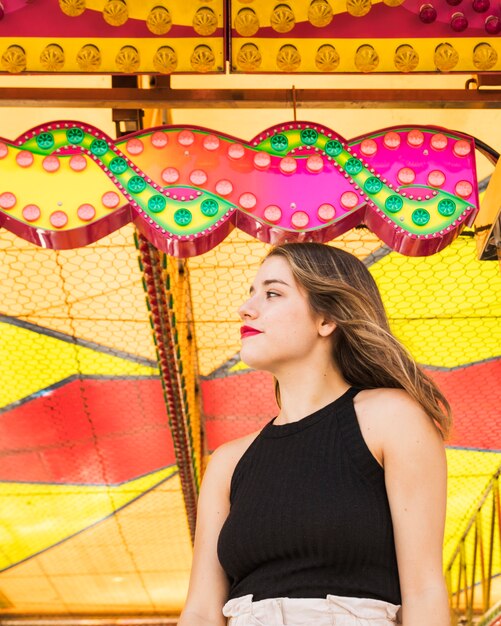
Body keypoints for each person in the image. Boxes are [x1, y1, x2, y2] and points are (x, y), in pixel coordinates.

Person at [178, 242, 451, 626]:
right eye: (251, 292)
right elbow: (201, 612)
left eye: (272, 293)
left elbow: (423, 591)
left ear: (326, 320)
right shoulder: (227, 462)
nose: (246, 307)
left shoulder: (392, 418)